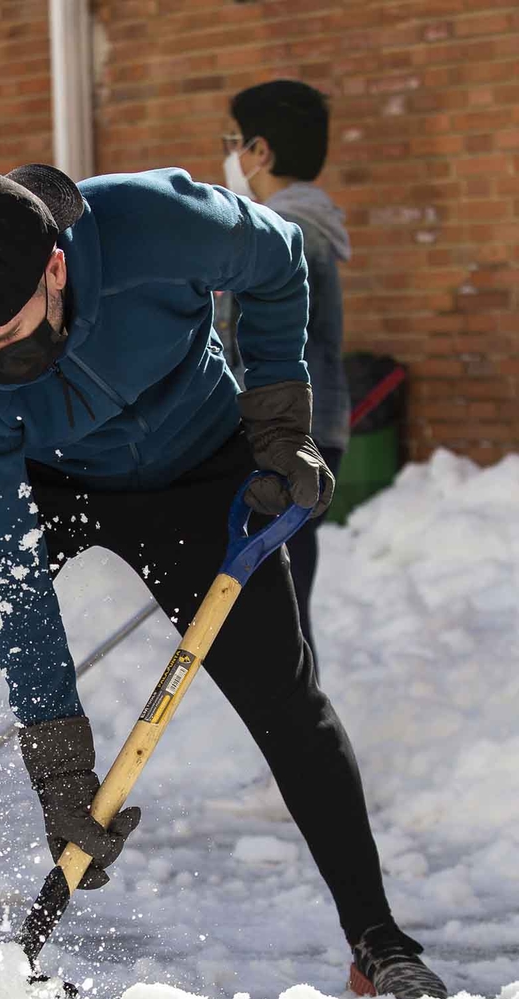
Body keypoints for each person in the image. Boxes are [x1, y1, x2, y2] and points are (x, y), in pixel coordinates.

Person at [0, 163, 447, 999]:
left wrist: (278, 421)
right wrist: (58, 758)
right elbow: (6, 564)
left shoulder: (158, 223)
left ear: (55, 267)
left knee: (283, 695)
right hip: (42, 479)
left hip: (196, 462)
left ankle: (380, 942)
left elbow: (278, 261)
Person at [218, 79, 351, 672]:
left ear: (261, 151)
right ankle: (301, 747)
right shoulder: (312, 226)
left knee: (280, 611)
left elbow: (231, 340)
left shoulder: (271, 232)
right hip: (318, 428)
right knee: (287, 601)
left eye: (234, 143)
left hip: (283, 433)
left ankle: (304, 752)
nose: (232, 156)